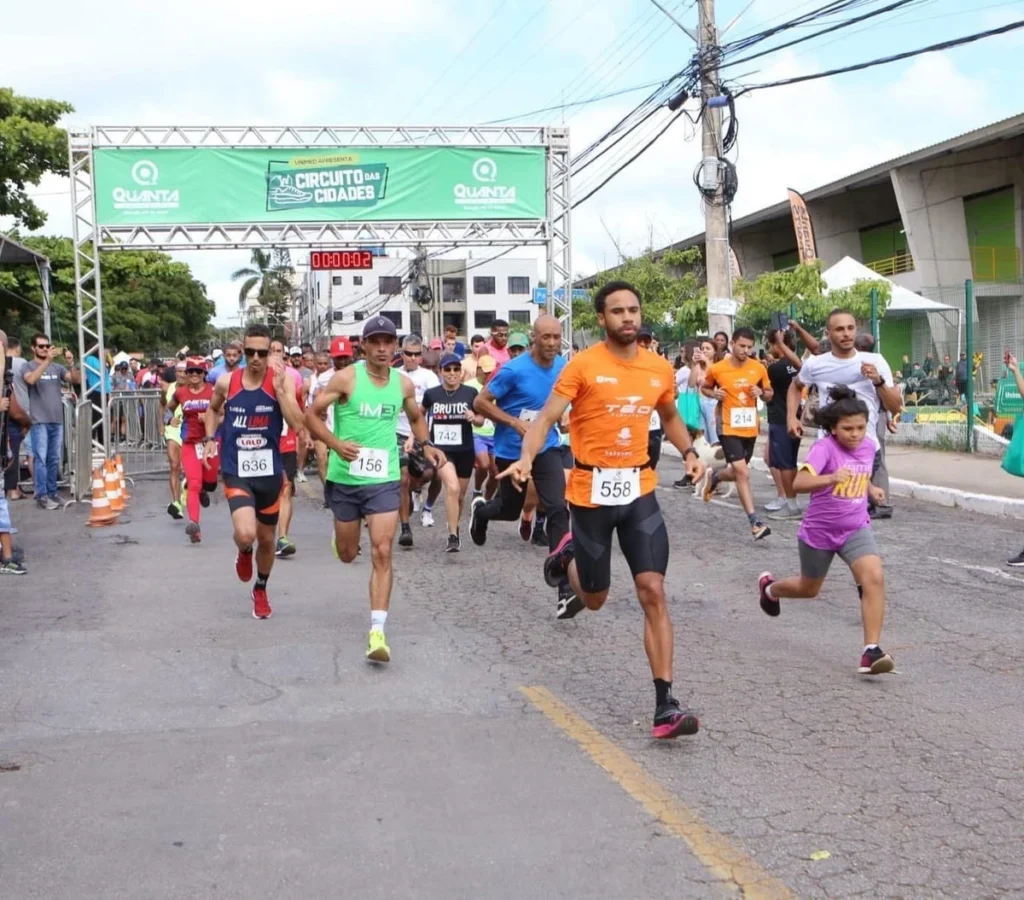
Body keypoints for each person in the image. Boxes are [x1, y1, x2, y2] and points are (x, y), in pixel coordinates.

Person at [501, 281, 705, 738]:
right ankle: (567, 558)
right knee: (595, 599)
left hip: (639, 490)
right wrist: (527, 458)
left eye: (633, 309)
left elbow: (668, 413)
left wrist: (689, 451)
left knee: (652, 589)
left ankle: (665, 704)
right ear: (601, 319)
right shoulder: (582, 366)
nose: (628, 318)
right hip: (591, 494)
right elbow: (547, 419)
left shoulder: (657, 368)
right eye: (617, 311)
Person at [305, 315, 446, 661]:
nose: (382, 348)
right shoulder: (346, 378)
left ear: (395, 347)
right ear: (364, 346)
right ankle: (342, 540)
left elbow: (414, 416)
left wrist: (426, 444)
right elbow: (312, 415)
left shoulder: (402, 384)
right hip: (346, 477)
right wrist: (336, 444)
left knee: (382, 550)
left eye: (388, 342)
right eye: (376, 342)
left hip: (382, 478)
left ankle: (377, 632)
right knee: (350, 553)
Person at [758, 386, 895, 676]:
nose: (855, 434)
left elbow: (861, 474)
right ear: (833, 428)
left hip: (855, 527)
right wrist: (831, 477)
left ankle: (871, 651)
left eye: (860, 428)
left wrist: (871, 490)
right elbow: (799, 484)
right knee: (809, 589)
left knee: (874, 576)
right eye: (848, 429)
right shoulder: (824, 449)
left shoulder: (869, 446)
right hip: (820, 531)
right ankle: (770, 589)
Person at [471, 315, 577, 617]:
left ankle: (564, 588)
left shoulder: (562, 367)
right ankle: (481, 511)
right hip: (510, 450)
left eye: (557, 338)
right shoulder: (514, 370)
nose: (552, 344)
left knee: (558, 507)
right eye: (546, 337)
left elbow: (555, 405)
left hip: (546, 448)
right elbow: (481, 402)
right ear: (533, 338)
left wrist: (563, 419)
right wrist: (513, 421)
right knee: (510, 509)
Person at [203, 324, 305, 620]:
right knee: (246, 534)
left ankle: (260, 588)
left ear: (271, 352)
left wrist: (282, 389)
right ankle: (243, 550)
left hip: (269, 471)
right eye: (251, 352)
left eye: (263, 352)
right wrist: (210, 439)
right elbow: (212, 410)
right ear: (243, 353)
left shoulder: (278, 382)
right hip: (237, 469)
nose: (257, 358)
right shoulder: (227, 382)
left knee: (267, 539)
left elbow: (295, 420)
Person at [787, 309, 900, 521]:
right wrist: (791, 417)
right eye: (839, 329)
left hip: (865, 446)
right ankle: (825, 542)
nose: (846, 334)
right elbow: (795, 387)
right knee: (832, 507)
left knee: (850, 509)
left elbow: (895, 406)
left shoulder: (875, 361)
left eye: (850, 328)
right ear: (828, 333)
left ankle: (851, 541)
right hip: (828, 450)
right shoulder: (816, 364)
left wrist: (879, 381)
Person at [701, 327, 774, 540]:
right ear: (732, 344)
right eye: (742, 346)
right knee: (742, 472)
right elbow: (705, 388)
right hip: (727, 426)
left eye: (750, 347)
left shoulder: (758, 368)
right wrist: (714, 393)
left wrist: (762, 392)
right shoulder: (718, 369)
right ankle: (755, 522)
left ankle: (715, 476)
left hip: (750, 427)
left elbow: (770, 393)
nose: (746, 350)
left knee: (737, 471)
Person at [420, 353, 484, 551]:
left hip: (465, 450)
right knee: (453, 488)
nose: (452, 373)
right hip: (441, 451)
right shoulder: (432, 394)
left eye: (456, 369)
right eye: (447, 369)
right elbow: (418, 416)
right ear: (440, 371)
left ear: (461, 371)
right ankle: (453, 536)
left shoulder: (471, 393)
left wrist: (475, 418)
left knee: (460, 495)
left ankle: (454, 525)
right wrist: (420, 439)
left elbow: (482, 419)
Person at [22, 332, 81, 509]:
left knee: (53, 459)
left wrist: (71, 363)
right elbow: (31, 380)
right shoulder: (28, 366)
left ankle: (52, 492)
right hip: (39, 420)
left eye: (48, 346)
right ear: (33, 348)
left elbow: (76, 380)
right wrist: (47, 361)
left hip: (56, 419)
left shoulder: (57, 368)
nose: (45, 349)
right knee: (40, 458)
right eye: (41, 346)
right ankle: (41, 495)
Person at [166, 357, 219, 543]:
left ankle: (206, 488)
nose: (195, 375)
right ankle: (194, 526)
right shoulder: (180, 393)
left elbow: (224, 415)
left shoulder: (213, 391)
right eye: (191, 372)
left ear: (204, 374)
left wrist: (212, 419)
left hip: (211, 443)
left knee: (211, 482)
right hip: (190, 443)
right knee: (194, 484)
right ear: (186, 374)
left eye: (199, 371)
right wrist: (169, 419)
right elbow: (169, 408)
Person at [394, 334, 439, 549]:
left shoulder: (429, 377)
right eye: (408, 354)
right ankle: (405, 527)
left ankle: (415, 492)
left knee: (428, 474)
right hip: (396, 434)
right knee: (402, 478)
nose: (412, 358)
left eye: (416, 354)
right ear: (401, 354)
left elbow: (434, 407)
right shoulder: (393, 376)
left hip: (422, 435)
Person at [269, 338, 307, 558]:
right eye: (271, 351)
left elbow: (295, 407)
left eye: (278, 351)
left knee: (285, 488)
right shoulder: (253, 376)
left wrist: (303, 430)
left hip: (285, 441)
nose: (275, 355)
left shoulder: (291, 377)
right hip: (260, 443)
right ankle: (264, 534)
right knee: (265, 493)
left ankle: (282, 537)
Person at [764, 329, 803, 519]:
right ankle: (789, 500)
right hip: (796, 416)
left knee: (784, 464)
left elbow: (767, 392)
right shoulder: (799, 365)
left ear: (776, 345)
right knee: (790, 461)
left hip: (780, 417)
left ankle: (791, 503)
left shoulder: (774, 369)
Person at [468, 355, 499, 501]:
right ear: (478, 370)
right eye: (486, 372)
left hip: (495, 434)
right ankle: (477, 489)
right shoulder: (469, 386)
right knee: (484, 464)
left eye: (491, 372)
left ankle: (485, 500)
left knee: (496, 473)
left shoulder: (498, 386)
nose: (488, 375)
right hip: (476, 432)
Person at [4, 337, 31, 501]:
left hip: (15, 414)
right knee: (11, 453)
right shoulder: (20, 364)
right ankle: (12, 488)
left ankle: (13, 487)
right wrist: (26, 420)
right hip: (18, 414)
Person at [161, 362, 188, 519]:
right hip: (173, 431)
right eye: (178, 371)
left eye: (184, 371)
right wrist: (165, 422)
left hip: (190, 430)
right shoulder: (167, 388)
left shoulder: (195, 388)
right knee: (174, 466)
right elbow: (162, 407)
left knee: (189, 470)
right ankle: (176, 503)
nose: (181, 374)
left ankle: (185, 493)